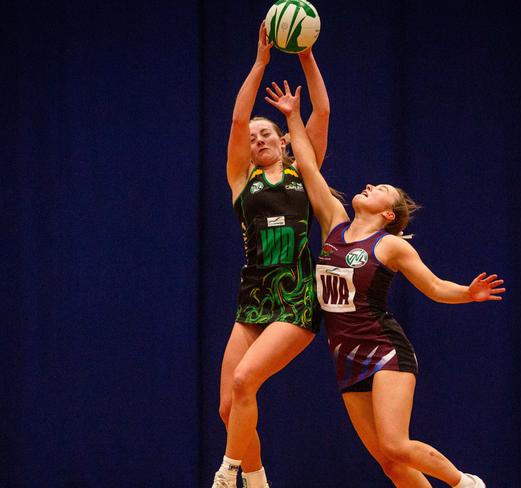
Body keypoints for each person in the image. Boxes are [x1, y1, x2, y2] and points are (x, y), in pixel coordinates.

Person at [264, 80, 506, 488]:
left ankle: (466, 483)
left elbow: (433, 286)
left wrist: (467, 293)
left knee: (395, 445)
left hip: (385, 352)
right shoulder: (334, 224)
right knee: (389, 463)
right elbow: (306, 165)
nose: (370, 186)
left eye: (381, 190)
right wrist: (292, 116)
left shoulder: (389, 244)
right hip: (345, 358)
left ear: (389, 213)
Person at [210, 22, 330, 488]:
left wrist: (304, 53)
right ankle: (257, 480)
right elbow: (238, 121)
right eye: (254, 136)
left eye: (268, 133)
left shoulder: (305, 170)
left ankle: (227, 472)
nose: (258, 138)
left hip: (298, 297)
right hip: (254, 299)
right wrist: (260, 62)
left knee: (245, 383)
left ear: (283, 141)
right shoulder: (241, 180)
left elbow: (322, 108)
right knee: (228, 407)